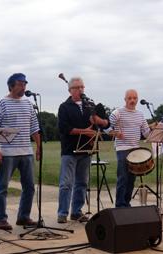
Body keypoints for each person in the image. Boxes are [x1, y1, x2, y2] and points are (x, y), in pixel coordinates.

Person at [0, 73, 41, 230]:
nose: (23, 86)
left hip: (26, 152)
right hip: (8, 152)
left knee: (29, 187)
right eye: (19, 84)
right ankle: (0, 218)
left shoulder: (29, 104)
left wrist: (39, 147)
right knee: (2, 187)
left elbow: (35, 128)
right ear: (11, 86)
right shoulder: (1, 103)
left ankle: (23, 217)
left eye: (25, 84)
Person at [57, 77, 108, 223]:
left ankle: (76, 211)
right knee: (66, 183)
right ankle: (62, 213)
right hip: (70, 150)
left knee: (82, 183)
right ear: (70, 90)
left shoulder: (90, 106)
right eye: (77, 87)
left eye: (82, 87)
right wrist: (83, 131)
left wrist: (99, 121)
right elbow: (63, 128)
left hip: (87, 150)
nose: (80, 90)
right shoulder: (64, 107)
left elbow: (105, 123)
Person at [108, 89, 151, 207]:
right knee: (123, 177)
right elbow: (106, 127)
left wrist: (155, 129)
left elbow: (146, 133)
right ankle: (120, 204)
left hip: (135, 149)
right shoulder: (117, 112)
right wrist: (115, 133)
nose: (132, 100)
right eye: (130, 98)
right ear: (125, 99)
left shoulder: (140, 115)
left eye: (134, 98)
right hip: (122, 148)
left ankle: (126, 203)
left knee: (132, 178)